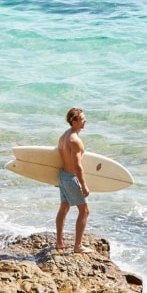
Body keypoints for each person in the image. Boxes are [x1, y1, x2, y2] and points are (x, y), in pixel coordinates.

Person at [55, 107, 91, 253]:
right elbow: (77, 165)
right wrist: (83, 184)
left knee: (64, 207)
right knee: (85, 211)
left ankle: (59, 242)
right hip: (71, 178)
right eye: (82, 119)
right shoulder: (75, 140)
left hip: (63, 175)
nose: (85, 120)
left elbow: (57, 157)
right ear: (74, 121)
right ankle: (78, 246)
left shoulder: (64, 136)